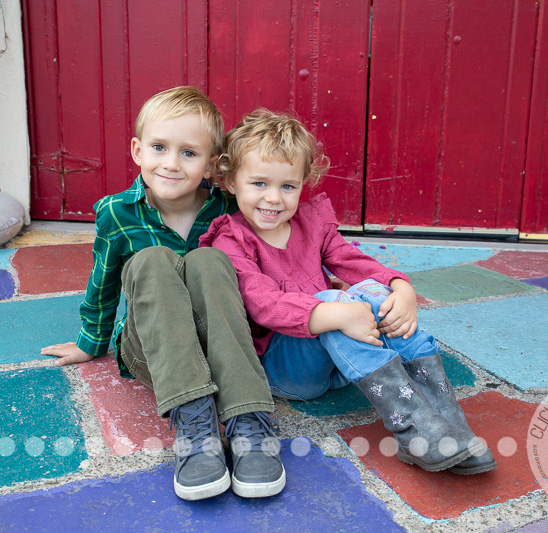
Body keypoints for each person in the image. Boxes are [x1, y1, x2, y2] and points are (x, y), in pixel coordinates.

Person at [200, 109, 496, 474]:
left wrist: (399, 286)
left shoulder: (311, 223)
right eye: (259, 184)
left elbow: (351, 261)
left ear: (302, 182)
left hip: (343, 360)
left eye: (287, 186)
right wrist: (337, 311)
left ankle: (447, 421)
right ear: (230, 181)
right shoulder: (232, 238)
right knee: (332, 299)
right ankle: (411, 426)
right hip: (288, 370)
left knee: (371, 289)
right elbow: (263, 304)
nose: (274, 198)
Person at [41, 87, 285, 501]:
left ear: (211, 165)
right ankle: (194, 424)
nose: (171, 163)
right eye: (159, 147)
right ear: (137, 150)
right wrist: (90, 342)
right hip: (152, 347)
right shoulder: (117, 212)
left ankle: (249, 419)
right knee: (152, 260)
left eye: (189, 153)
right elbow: (102, 282)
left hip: (221, 343)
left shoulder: (229, 208)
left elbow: (273, 260)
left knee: (209, 261)